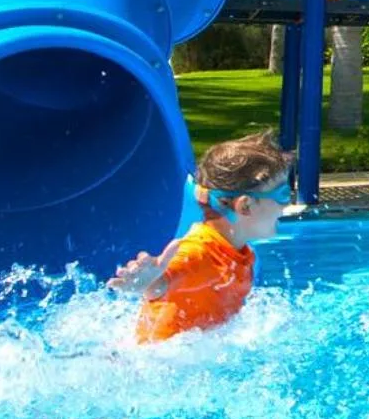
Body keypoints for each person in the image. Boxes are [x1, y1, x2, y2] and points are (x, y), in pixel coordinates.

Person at [110, 131, 295, 343]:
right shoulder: (200, 250)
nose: (286, 204)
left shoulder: (238, 251)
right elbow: (165, 282)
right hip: (156, 363)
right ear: (246, 205)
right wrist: (149, 282)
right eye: (282, 194)